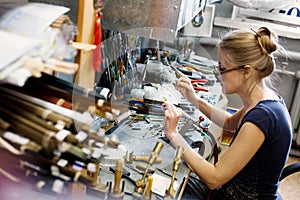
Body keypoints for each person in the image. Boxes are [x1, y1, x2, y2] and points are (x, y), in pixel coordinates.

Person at [162, 27, 292, 200]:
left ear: (246, 72)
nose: (218, 74)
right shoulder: (264, 100)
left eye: (223, 68)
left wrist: (173, 134)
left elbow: (213, 179)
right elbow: (230, 122)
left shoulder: (263, 117)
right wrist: (194, 99)